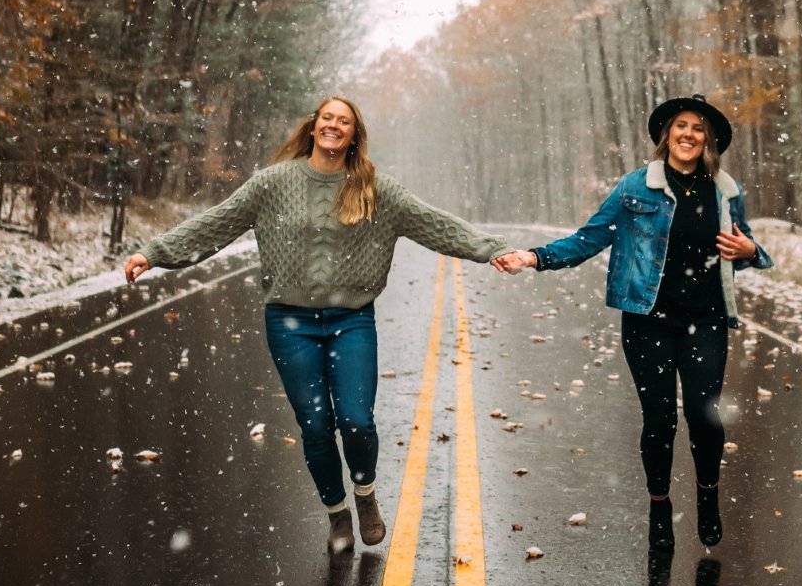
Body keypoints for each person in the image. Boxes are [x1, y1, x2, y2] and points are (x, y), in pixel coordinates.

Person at [123, 96, 511, 555]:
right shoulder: (272, 184)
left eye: (343, 121)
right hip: (290, 322)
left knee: (356, 420)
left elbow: (434, 224)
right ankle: (337, 513)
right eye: (327, 117)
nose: (333, 125)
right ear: (313, 127)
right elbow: (216, 224)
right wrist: (156, 253)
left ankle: (364, 494)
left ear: (353, 134)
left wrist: (492, 249)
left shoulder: (373, 189)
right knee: (314, 425)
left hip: (352, 319)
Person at [493, 95, 771, 552]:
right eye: (680, 126)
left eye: (698, 129)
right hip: (648, 321)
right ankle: (660, 508)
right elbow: (590, 237)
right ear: (667, 136)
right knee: (659, 421)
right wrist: (535, 257)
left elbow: (744, 248)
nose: (688, 134)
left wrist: (750, 253)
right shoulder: (634, 188)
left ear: (709, 141)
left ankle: (707, 495)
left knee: (706, 419)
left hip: (706, 321)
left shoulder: (726, 191)